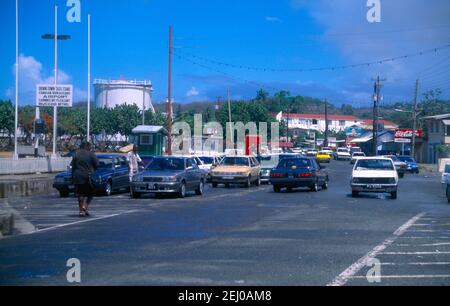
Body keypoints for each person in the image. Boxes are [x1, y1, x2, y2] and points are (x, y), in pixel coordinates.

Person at [71, 142, 99, 217]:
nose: (90, 148)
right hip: (88, 176)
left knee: (80, 194)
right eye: (90, 147)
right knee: (91, 192)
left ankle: (81, 211)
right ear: (87, 147)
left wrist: (72, 177)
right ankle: (85, 207)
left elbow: (73, 167)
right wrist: (92, 169)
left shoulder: (76, 154)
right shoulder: (91, 154)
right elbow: (97, 165)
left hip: (77, 176)